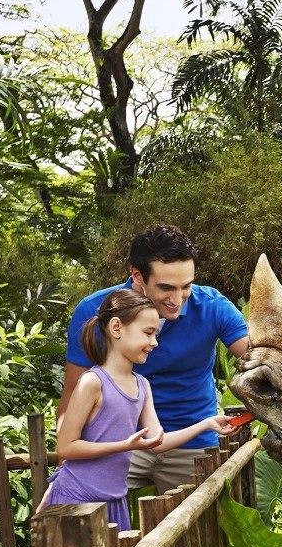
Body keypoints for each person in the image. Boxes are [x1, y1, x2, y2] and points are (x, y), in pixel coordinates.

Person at [57, 224, 253, 496]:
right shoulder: (94, 310)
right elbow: (72, 390)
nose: (177, 299)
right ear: (137, 275)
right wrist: (67, 455)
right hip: (118, 443)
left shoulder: (212, 306)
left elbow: (257, 357)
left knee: (194, 535)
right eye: (166, 287)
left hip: (192, 442)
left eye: (186, 286)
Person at [39, 289, 235, 530]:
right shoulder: (92, 382)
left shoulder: (142, 385)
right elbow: (66, 447)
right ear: (116, 328)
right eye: (148, 333)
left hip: (114, 501)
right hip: (78, 499)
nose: (154, 342)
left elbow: (157, 441)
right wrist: (125, 446)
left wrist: (207, 423)